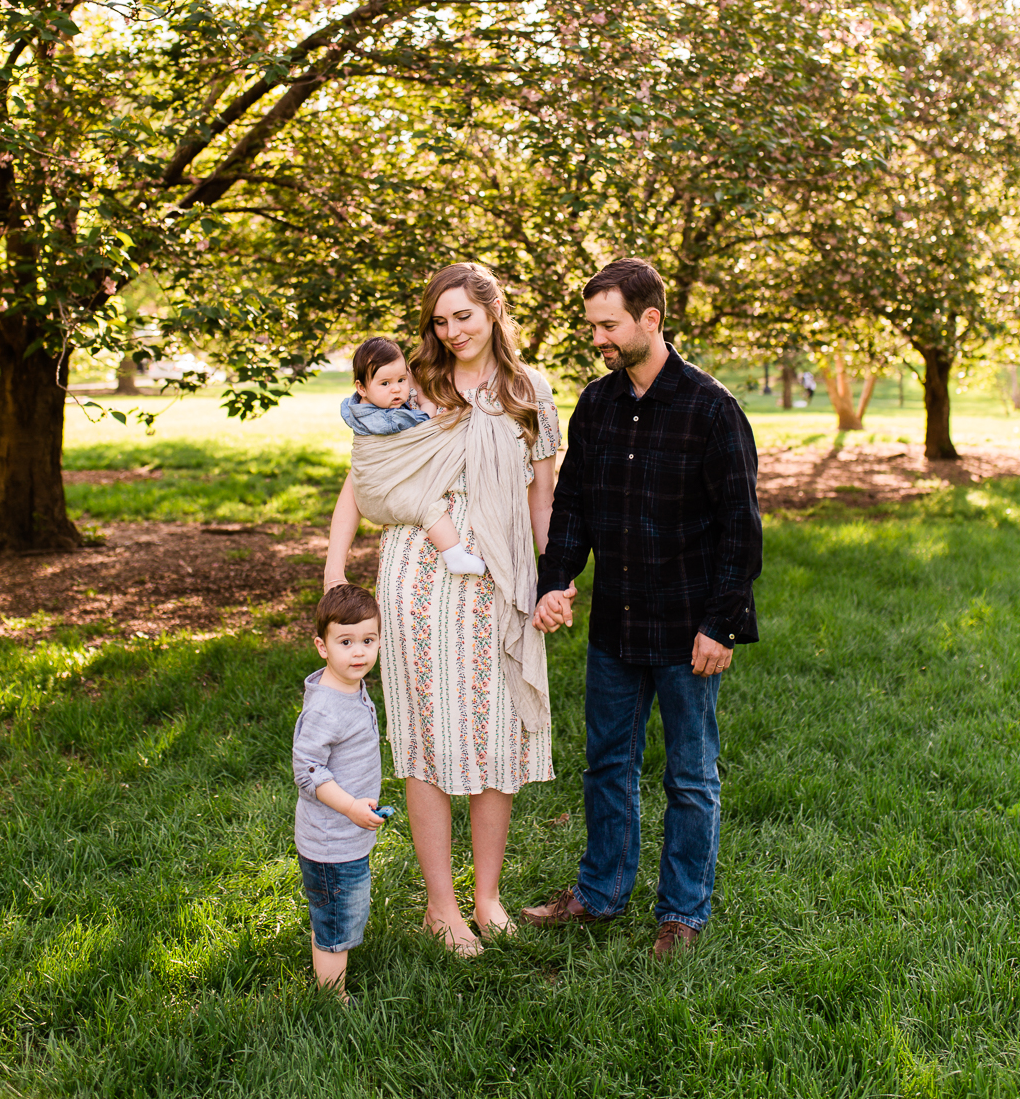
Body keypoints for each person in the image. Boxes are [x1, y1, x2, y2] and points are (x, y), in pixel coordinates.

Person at [522, 258, 762, 960]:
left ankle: (681, 913)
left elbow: (740, 530)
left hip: (688, 631)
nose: (596, 337)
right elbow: (573, 508)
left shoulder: (711, 408)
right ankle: (599, 895)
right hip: (615, 627)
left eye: (607, 324)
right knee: (605, 765)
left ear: (649, 320)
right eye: (591, 324)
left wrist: (721, 624)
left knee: (689, 776)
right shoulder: (595, 405)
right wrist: (555, 579)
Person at [325, 262, 560, 956]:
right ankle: (440, 906)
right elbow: (363, 478)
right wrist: (334, 565)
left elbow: (540, 496)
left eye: (463, 315)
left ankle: (487, 897)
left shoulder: (528, 390)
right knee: (426, 733)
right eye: (440, 319)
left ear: (493, 311)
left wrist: (552, 579)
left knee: (498, 736)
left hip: (499, 574)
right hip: (418, 574)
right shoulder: (411, 387)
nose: (452, 330)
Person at [292, 583, 387, 1001]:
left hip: (348, 835)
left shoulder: (351, 687)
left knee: (335, 909)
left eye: (368, 640)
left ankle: (328, 952)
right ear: (322, 646)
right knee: (337, 921)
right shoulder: (325, 706)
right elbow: (308, 771)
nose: (359, 652)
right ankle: (332, 997)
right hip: (332, 840)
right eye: (345, 642)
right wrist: (350, 806)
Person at [341, 336, 486, 575]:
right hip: (382, 494)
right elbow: (423, 423)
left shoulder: (361, 407)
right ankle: (455, 555)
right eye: (385, 383)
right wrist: (425, 399)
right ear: (361, 388)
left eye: (401, 379)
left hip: (375, 492)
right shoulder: (388, 418)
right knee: (428, 509)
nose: (397, 388)